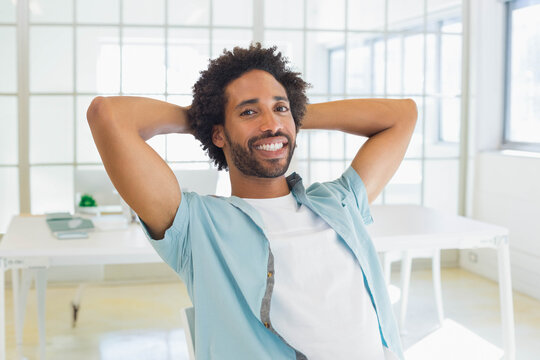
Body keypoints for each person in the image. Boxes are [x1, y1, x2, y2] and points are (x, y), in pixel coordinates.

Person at [87, 43, 417, 360]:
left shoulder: (338, 202)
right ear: (219, 135)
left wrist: (289, 115)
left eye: (280, 108)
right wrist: (203, 119)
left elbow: (403, 115)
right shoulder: (197, 225)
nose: (270, 124)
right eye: (248, 111)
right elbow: (109, 115)